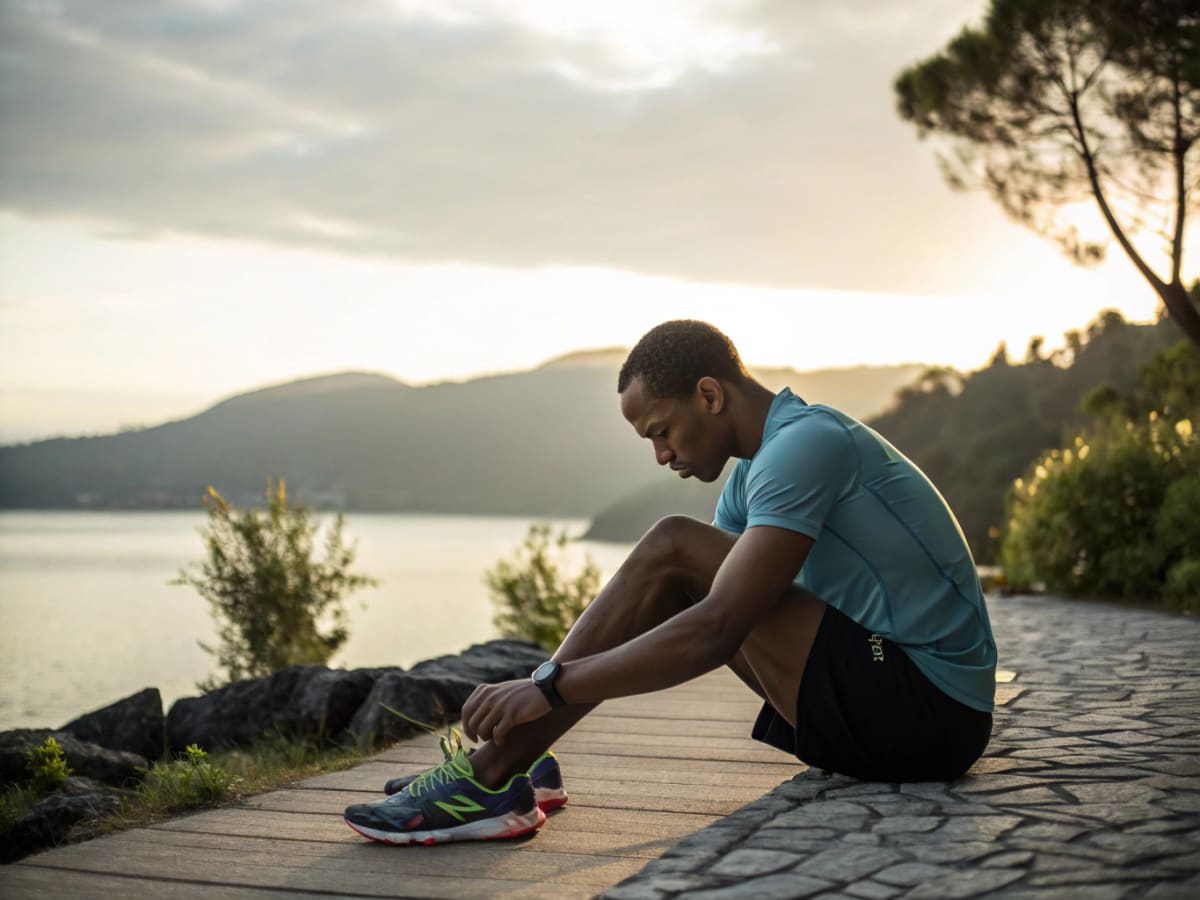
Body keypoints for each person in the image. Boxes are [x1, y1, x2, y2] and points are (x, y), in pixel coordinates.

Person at [344, 319, 997, 845]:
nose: (661, 455)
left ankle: (491, 775)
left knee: (671, 544)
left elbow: (717, 629)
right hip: (886, 708)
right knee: (676, 558)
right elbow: (687, 605)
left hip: (930, 717)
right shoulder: (753, 473)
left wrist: (548, 686)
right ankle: (512, 768)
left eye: (661, 432)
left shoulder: (807, 445)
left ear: (710, 396)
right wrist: (545, 704)